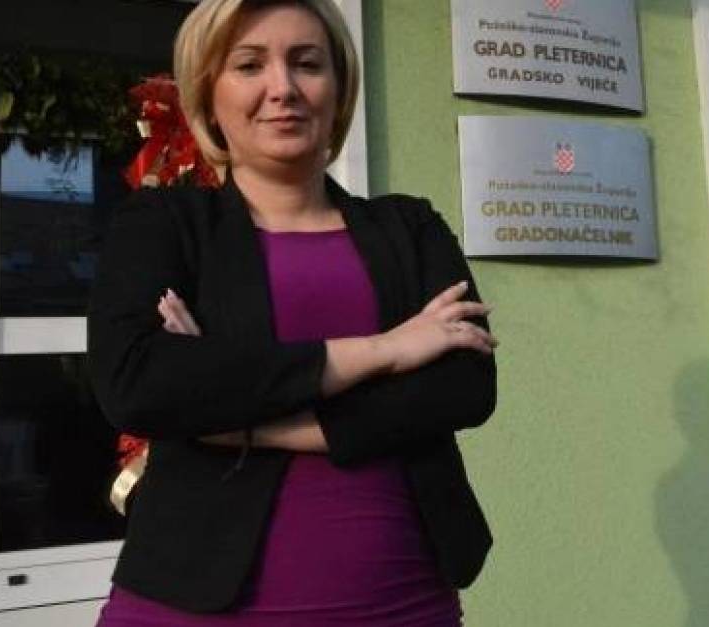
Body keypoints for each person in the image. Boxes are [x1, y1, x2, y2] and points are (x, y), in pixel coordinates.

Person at [87, 0, 498, 624]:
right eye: (249, 65)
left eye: (307, 63)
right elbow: (141, 385)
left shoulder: (409, 227)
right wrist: (386, 350)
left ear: (339, 87)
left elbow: (464, 387)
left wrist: (248, 423)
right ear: (209, 93)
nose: (283, 88)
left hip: (402, 603)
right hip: (189, 608)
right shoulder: (164, 225)